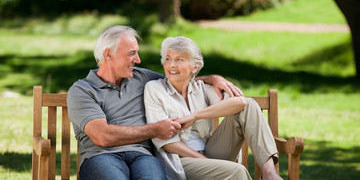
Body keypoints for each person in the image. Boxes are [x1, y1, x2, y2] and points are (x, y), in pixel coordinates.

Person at [67, 26, 243, 180]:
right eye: (131, 53)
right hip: (101, 156)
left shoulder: (141, 77)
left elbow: (180, 78)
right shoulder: (83, 90)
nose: (138, 60)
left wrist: (214, 79)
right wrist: (155, 129)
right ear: (109, 54)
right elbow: (103, 136)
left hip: (142, 156)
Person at [144, 36, 283, 180]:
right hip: (179, 161)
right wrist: (207, 162)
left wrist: (196, 115)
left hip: (210, 152)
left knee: (249, 106)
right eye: (168, 58)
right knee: (237, 171)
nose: (171, 64)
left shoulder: (201, 88)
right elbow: (167, 143)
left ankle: (269, 174)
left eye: (179, 59)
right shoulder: (154, 89)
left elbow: (241, 103)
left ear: (195, 67)